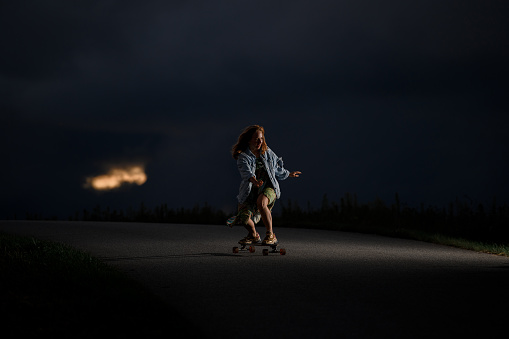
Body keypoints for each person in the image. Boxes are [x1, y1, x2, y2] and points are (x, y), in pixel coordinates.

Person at [229, 125, 301, 245]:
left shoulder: (266, 152)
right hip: (250, 191)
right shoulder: (243, 157)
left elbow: (276, 168)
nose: (259, 142)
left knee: (261, 202)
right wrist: (255, 181)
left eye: (261, 139)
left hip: (269, 187)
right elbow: (246, 172)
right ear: (249, 140)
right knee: (242, 218)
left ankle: (270, 235)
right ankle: (253, 235)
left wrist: (289, 174)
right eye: (256, 139)